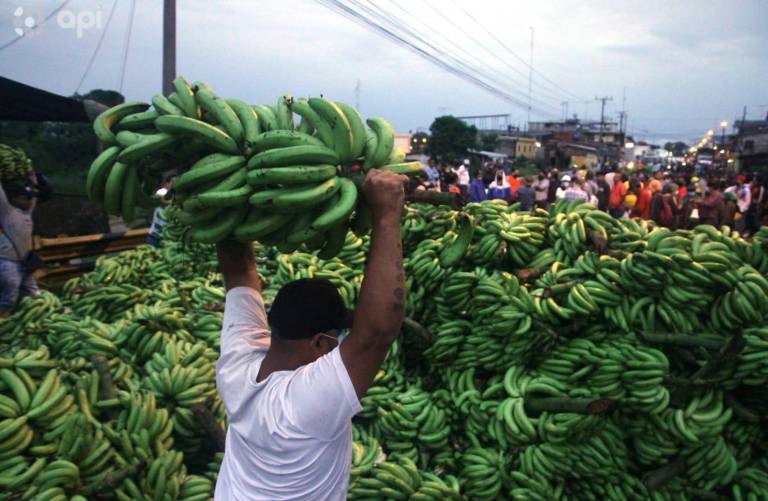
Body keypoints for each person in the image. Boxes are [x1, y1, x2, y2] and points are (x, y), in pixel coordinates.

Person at [214, 170, 407, 499]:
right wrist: (387, 214)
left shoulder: (236, 368)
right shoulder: (304, 404)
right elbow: (376, 332)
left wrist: (232, 186)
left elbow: (239, 270)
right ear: (320, 342)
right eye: (336, 338)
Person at [0, 176, 40, 315]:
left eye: (30, 199)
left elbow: (34, 195)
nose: (29, 201)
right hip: (8, 262)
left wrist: (31, 175)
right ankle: (3, 321)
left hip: (24, 262)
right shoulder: (7, 212)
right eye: (25, 198)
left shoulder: (27, 213)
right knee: (10, 296)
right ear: (14, 199)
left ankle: (38, 315)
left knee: (34, 293)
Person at [147, 174, 176, 248]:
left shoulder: (176, 196)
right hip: (154, 237)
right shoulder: (161, 191)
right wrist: (175, 202)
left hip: (169, 238)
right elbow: (161, 200)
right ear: (166, 184)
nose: (175, 185)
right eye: (173, 182)